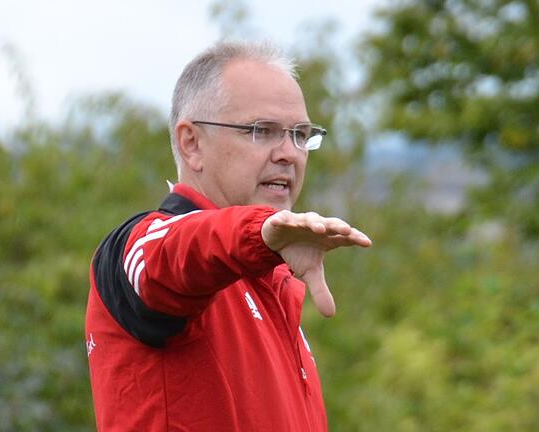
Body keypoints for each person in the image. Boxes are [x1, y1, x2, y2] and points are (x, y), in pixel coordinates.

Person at [85, 40, 371, 431]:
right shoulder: (146, 246)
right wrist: (260, 234)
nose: (289, 152)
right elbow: (176, 252)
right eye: (262, 130)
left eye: (300, 135)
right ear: (192, 143)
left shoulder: (270, 281)